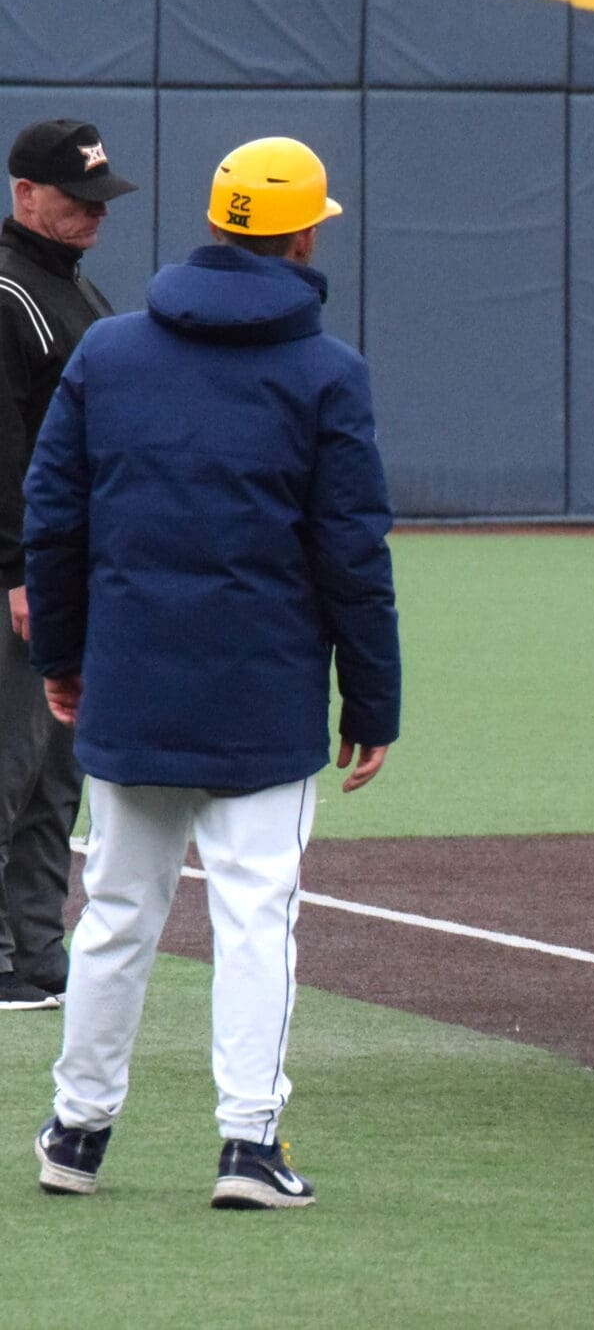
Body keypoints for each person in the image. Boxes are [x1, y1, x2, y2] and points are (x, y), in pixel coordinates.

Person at [23, 136, 399, 1210]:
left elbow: (55, 518)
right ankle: (247, 1147)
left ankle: (76, 1135)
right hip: (262, 693)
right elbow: (352, 551)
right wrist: (371, 699)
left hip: (132, 678)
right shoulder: (327, 371)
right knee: (254, 919)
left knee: (114, 917)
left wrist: (63, 656)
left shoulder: (113, 352)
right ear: (300, 232)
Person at [0, 119, 138, 1011]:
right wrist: (17, 571)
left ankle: (38, 947)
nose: (92, 213)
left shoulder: (71, 286)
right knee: (9, 758)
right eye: (75, 199)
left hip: (75, 563)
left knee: (59, 765)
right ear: (24, 196)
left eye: (99, 199)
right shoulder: (9, 292)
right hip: (23, 569)